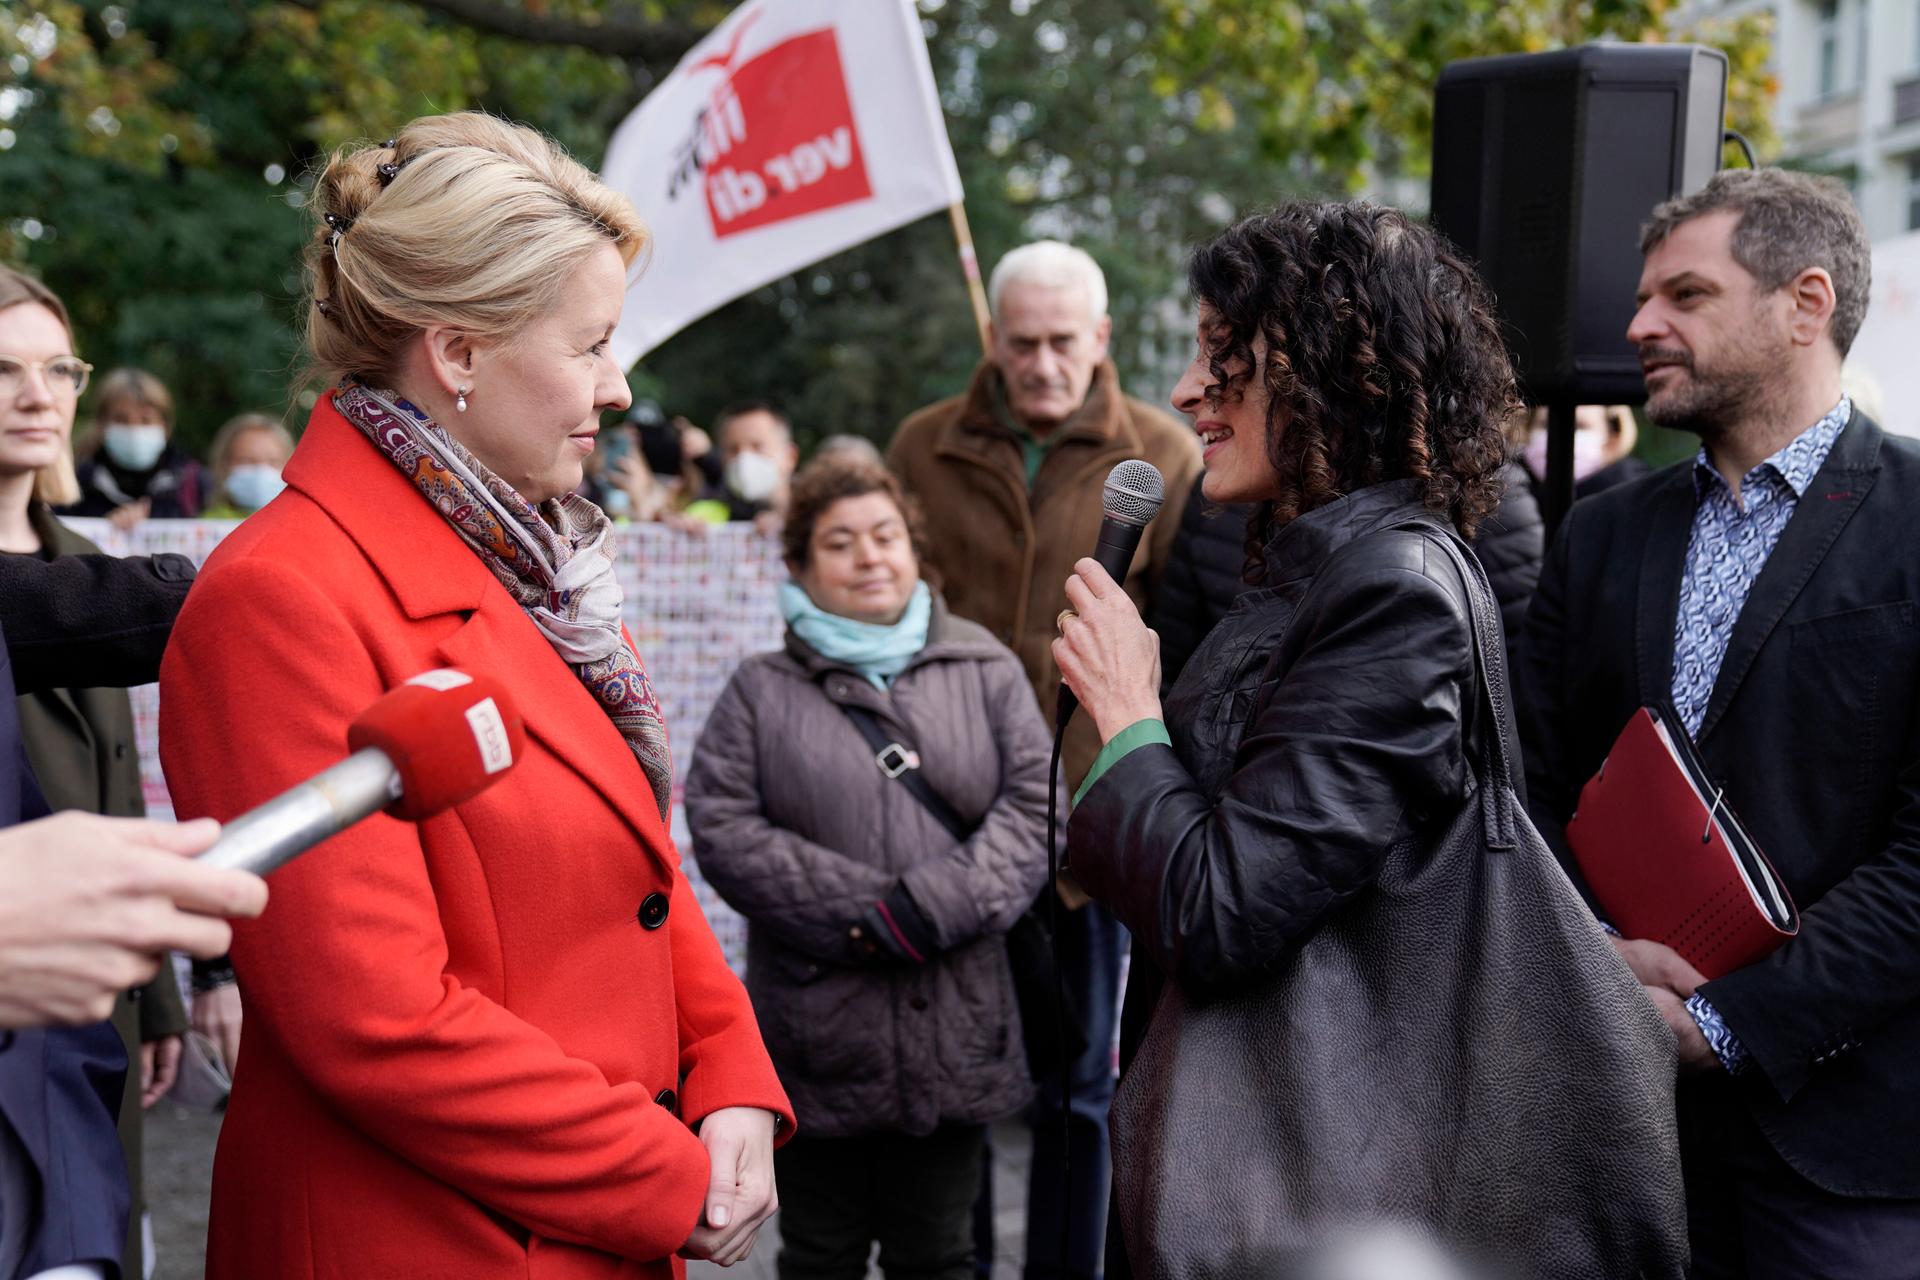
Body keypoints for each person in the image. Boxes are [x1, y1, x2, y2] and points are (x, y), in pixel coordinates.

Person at [155, 112, 793, 1279]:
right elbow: (372, 1017)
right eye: (592, 343)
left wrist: (730, 1071)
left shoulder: (529, 559)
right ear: (457, 353)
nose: (620, 382)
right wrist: (658, 1173)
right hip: (422, 1239)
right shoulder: (280, 597)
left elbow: (631, 865)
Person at [1053, 203, 1685, 1278]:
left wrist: (1126, 715)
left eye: (1225, 358)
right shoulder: (1309, 568)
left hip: (1325, 1177)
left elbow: (1221, 906)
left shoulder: (1395, 592)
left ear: (1329, 378)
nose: (1185, 391)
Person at [1517, 168, 1920, 1276]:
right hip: (1610, 1126)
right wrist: (1605, 967)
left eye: (1684, 296)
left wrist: (1728, 1022)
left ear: (1806, 303)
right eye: (1646, 297)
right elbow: (1525, 786)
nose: (1639, 324)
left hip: (1845, 1150)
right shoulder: (1599, 535)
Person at [889, 239, 1198, 1280]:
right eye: (1021, 343)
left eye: (1064, 340)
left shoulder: (1164, 454)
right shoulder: (922, 446)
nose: (1041, 362)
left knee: (1079, 1085)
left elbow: (1183, 640)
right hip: (953, 812)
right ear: (994, 337)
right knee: (966, 1080)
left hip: (1088, 831)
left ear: (1102, 338)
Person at [684, 458, 1053, 1280]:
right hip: (817, 1034)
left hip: (955, 1020)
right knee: (820, 1254)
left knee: (941, 1255)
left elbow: (1038, 808)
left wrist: (933, 905)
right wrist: (867, 912)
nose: (869, 557)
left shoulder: (983, 666)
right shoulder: (760, 691)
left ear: (915, 549)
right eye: (840, 543)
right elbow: (723, 825)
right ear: (802, 566)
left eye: (886, 537)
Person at [0, 261, 194, 1277]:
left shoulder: (81, 558)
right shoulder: (95, 590)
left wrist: (154, 989)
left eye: (59, 367)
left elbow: (124, 796)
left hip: (102, 1003)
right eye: (3, 369)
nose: (39, 395)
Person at [65, 367, 207, 527]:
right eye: (121, 419)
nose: (133, 428)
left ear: (165, 426)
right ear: (102, 425)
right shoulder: (73, 484)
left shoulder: (194, 483)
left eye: (145, 420)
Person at [1519, 403, 1650, 501]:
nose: (1563, 435)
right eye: (1547, 424)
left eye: (1580, 426)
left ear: (1612, 434)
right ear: (1527, 429)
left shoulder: (1638, 495)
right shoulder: (1506, 490)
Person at [201, 412, 294, 518]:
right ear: (224, 465)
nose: (261, 471)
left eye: (273, 461)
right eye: (247, 460)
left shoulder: (301, 523)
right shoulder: (205, 528)